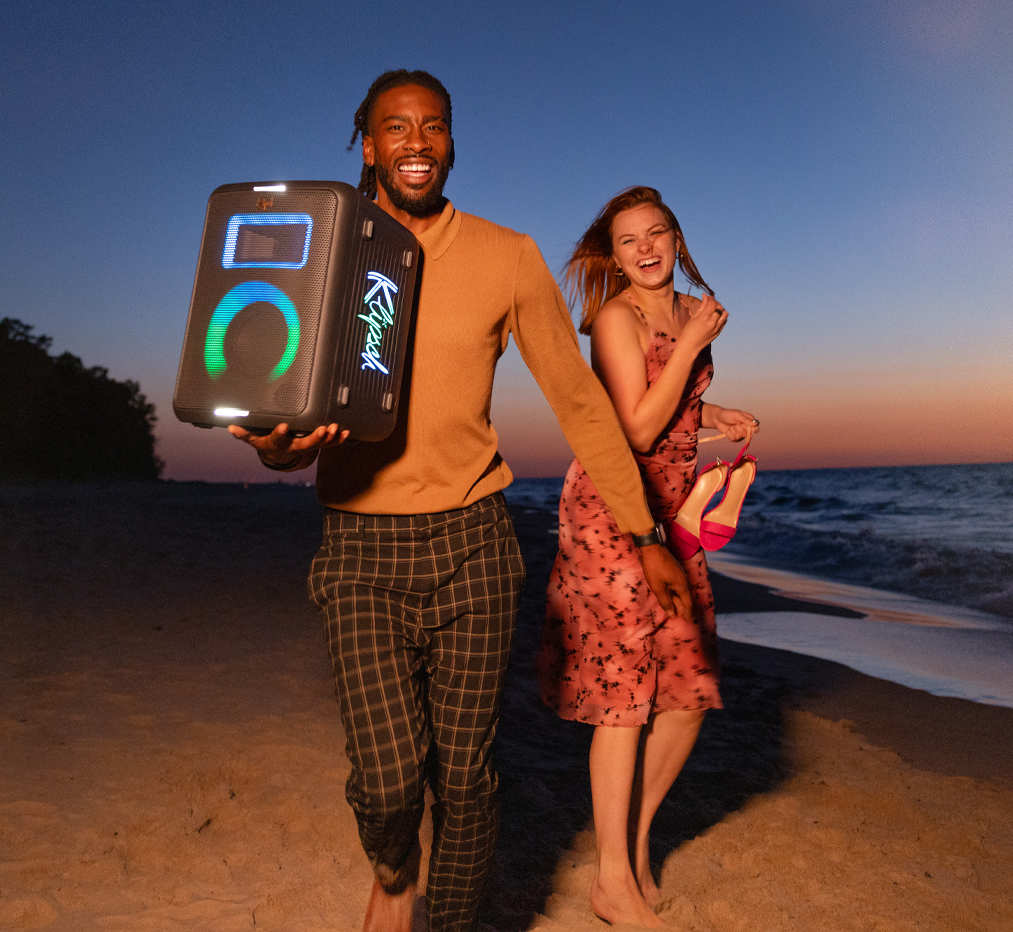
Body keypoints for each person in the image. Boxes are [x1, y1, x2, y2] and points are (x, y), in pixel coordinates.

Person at [229, 72, 691, 932]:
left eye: (433, 127)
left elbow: (581, 403)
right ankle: (394, 866)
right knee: (390, 781)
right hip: (361, 546)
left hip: (475, 544)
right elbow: (283, 424)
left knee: (468, 779)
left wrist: (646, 530)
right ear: (366, 144)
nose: (416, 142)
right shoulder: (321, 251)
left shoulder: (505, 254)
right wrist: (272, 446)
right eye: (394, 127)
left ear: (452, 141)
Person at [537, 186, 760, 928]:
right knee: (625, 702)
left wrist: (712, 412)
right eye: (630, 240)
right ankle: (611, 883)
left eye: (657, 233)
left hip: (671, 513)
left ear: (675, 236)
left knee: (689, 692)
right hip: (612, 510)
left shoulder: (688, 311)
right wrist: (694, 346)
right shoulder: (614, 318)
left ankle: (630, 851)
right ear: (613, 254)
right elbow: (631, 429)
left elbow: (671, 406)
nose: (647, 248)